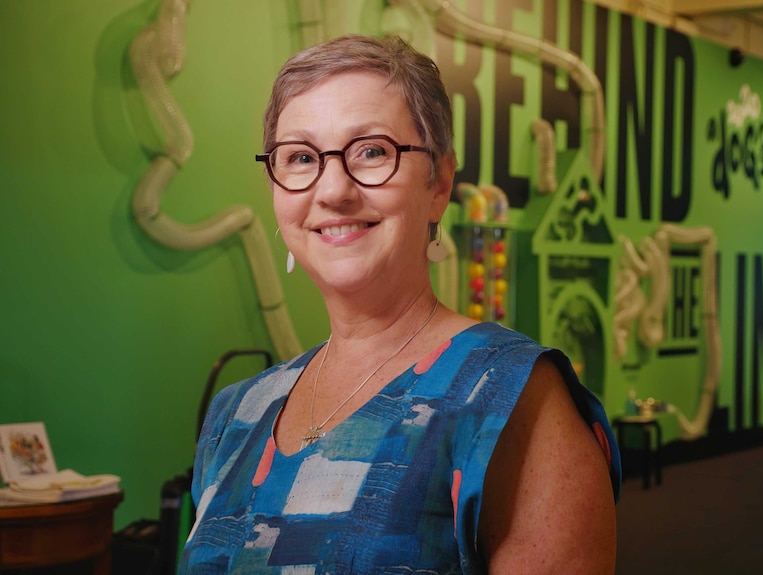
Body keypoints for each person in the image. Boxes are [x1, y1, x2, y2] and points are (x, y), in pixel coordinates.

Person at [179, 34, 620, 574]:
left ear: (439, 183)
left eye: (371, 152)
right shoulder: (236, 415)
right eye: (300, 157)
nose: (333, 190)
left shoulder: (509, 397)